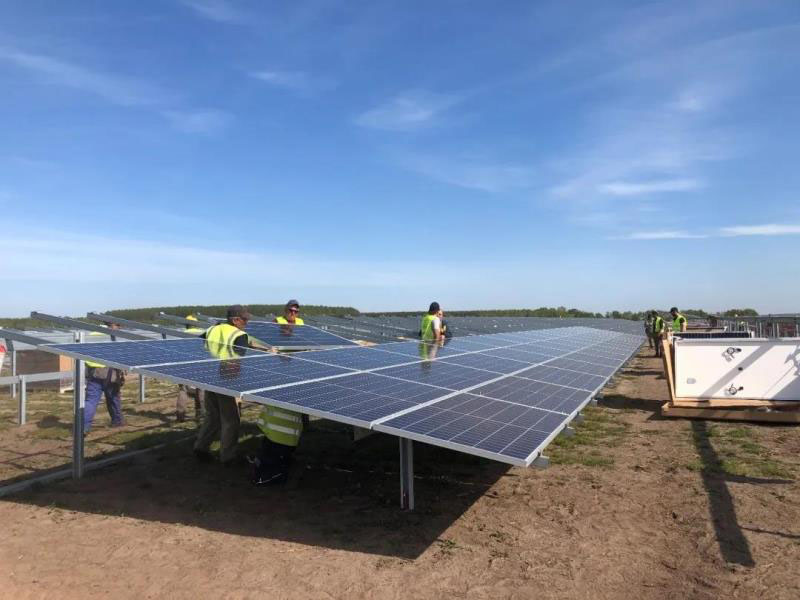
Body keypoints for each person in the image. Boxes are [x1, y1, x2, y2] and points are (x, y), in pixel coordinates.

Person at [194, 305, 267, 465]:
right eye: (244, 320)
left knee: (212, 416)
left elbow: (199, 347)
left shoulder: (213, 329)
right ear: (235, 320)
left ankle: (200, 448)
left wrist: (263, 347)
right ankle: (228, 457)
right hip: (226, 380)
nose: (246, 323)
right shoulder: (239, 335)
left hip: (209, 378)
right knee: (231, 420)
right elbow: (238, 359)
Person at [84, 323, 125, 433]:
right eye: (118, 325)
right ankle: (117, 421)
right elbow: (119, 356)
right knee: (113, 398)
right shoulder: (112, 336)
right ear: (111, 324)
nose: (120, 328)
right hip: (109, 373)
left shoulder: (91, 334)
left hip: (93, 373)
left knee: (90, 401)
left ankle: (83, 427)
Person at [250, 402, 303, 486]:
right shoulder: (298, 402)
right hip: (290, 441)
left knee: (267, 459)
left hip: (272, 438)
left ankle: (285, 469)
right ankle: (286, 468)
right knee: (277, 459)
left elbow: (261, 424)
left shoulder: (270, 400)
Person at [176, 315, 205, 423]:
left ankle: (180, 415)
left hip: (185, 365)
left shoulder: (181, 334)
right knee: (201, 389)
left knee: (183, 389)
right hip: (200, 364)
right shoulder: (202, 333)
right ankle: (200, 413)